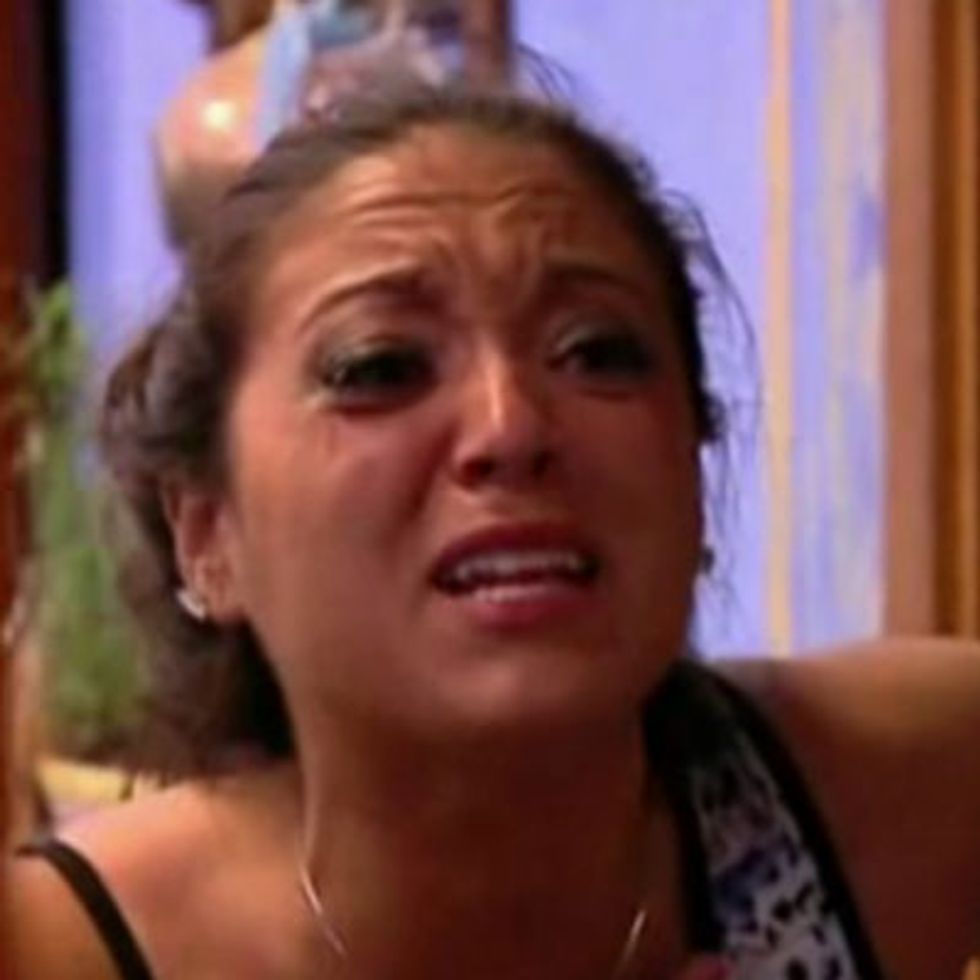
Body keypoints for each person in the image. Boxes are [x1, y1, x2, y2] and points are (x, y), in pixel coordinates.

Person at [8, 81, 980, 980]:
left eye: (596, 351)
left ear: (693, 454)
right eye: (379, 368)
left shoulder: (912, 795)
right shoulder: (60, 946)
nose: (511, 427)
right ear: (206, 533)